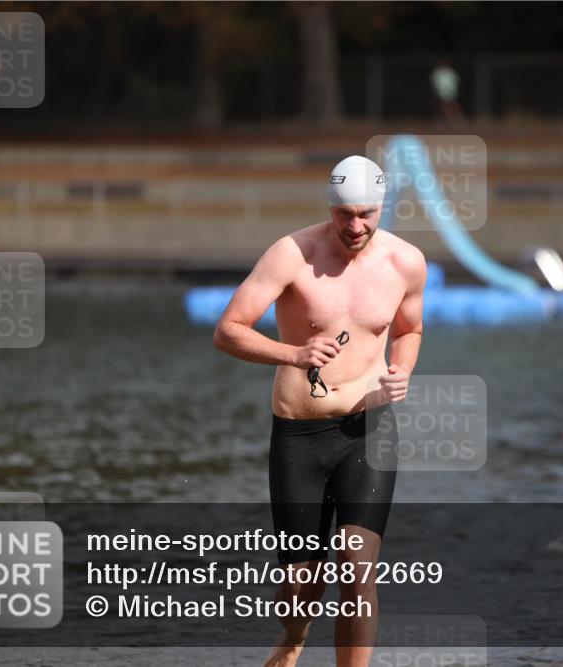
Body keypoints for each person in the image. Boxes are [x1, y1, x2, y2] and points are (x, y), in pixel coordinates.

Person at [213, 155, 426, 667]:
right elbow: (228, 330)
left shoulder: (406, 262)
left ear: (382, 208)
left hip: (368, 430)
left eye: (367, 215)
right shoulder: (291, 254)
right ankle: (291, 639)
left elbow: (409, 329)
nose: (356, 226)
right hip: (300, 435)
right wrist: (295, 354)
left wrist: (402, 371)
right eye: (345, 214)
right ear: (331, 207)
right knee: (298, 584)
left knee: (358, 566)